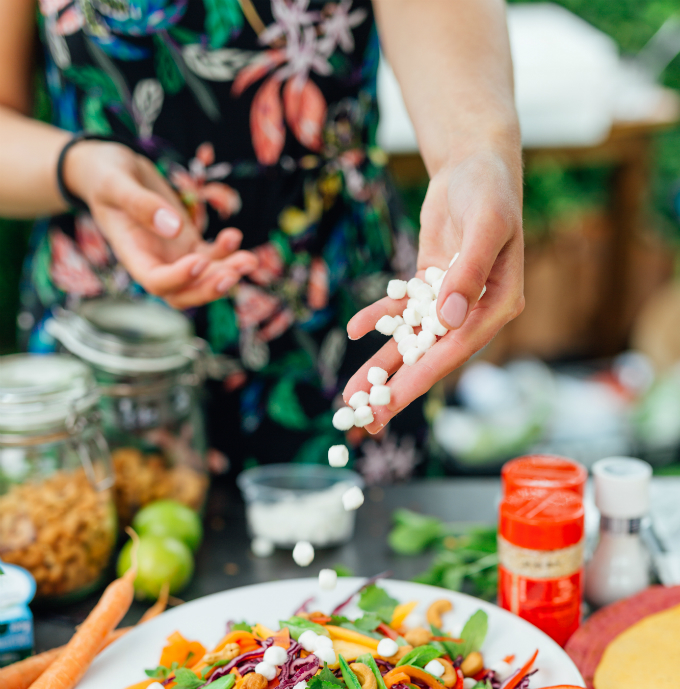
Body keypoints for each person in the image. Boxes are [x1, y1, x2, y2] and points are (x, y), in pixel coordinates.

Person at [0, 0, 523, 477]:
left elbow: (458, 96)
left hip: (338, 318)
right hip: (111, 346)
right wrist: (79, 168)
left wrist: (478, 155)